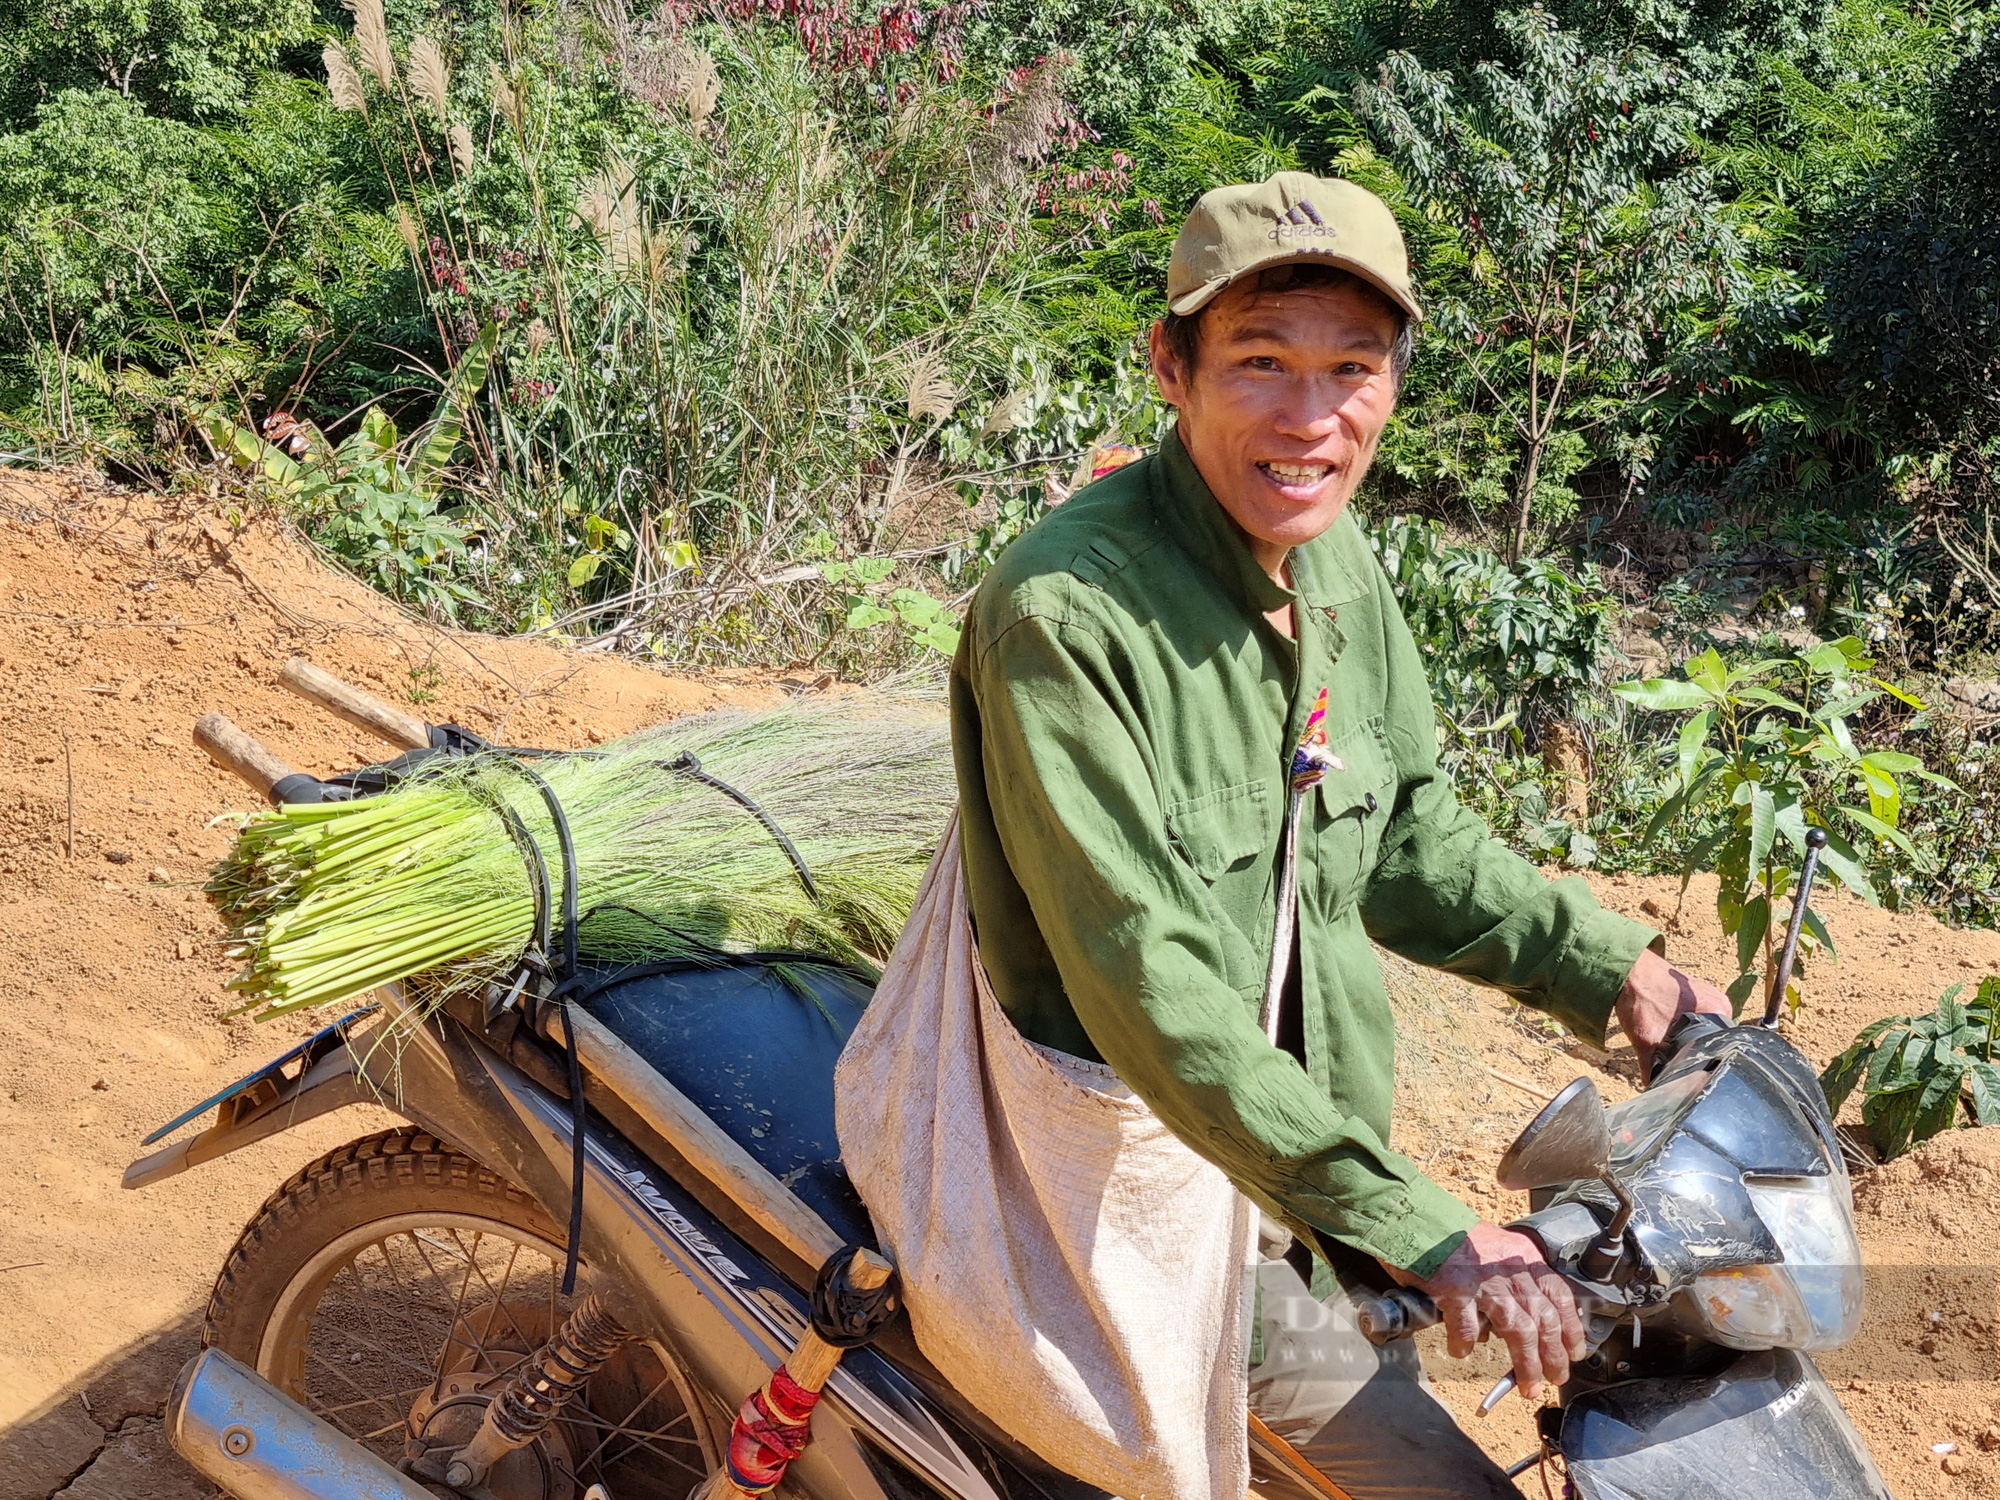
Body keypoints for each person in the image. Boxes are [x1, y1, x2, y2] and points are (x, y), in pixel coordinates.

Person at [947, 172, 1734, 1499]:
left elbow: (1410, 834)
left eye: (1351, 368)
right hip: (1144, 1198)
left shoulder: (1335, 564)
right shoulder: (1064, 620)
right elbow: (1153, 988)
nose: (1311, 419)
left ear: (1392, 384)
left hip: (1302, 1187)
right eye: (1261, 362)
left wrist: (1620, 971)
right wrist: (1430, 1234)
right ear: (1171, 366)